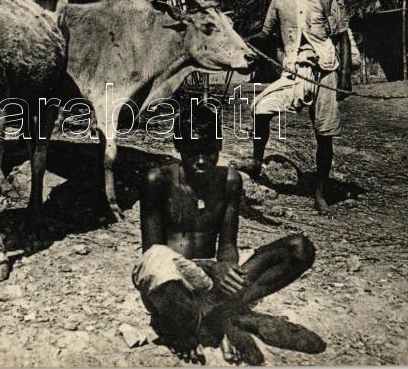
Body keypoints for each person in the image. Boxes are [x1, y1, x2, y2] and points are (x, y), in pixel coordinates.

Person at [134, 103, 324, 364]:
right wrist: (213, 271)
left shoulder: (230, 180)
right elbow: (152, 254)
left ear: (220, 146)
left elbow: (227, 243)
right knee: (158, 262)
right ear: (178, 148)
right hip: (174, 281)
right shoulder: (157, 180)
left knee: (299, 248)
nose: (202, 162)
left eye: (210, 152)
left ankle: (209, 315)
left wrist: (226, 266)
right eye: (192, 153)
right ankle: (198, 324)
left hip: (212, 279)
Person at [236, 0, 354, 215]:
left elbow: (342, 37)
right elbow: (266, 34)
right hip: (293, 71)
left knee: (324, 134)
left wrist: (345, 75)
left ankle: (320, 193)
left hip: (325, 71)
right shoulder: (279, 0)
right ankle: (256, 161)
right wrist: (242, 40)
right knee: (260, 108)